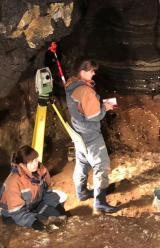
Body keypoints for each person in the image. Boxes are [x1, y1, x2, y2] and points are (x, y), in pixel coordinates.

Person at [65, 57, 118, 213]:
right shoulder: (86, 90)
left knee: (82, 162)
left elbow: (82, 108)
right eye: (91, 71)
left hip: (78, 131)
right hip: (90, 134)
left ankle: (81, 192)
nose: (94, 73)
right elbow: (94, 116)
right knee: (101, 165)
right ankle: (100, 201)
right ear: (82, 72)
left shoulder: (71, 84)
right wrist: (105, 107)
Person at [0, 145, 67, 231]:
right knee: (46, 225)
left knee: (59, 217)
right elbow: (16, 212)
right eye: (31, 161)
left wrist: (58, 206)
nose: (36, 163)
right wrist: (35, 223)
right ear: (22, 165)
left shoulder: (41, 170)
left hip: (35, 205)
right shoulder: (13, 182)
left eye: (36, 159)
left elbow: (46, 192)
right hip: (14, 215)